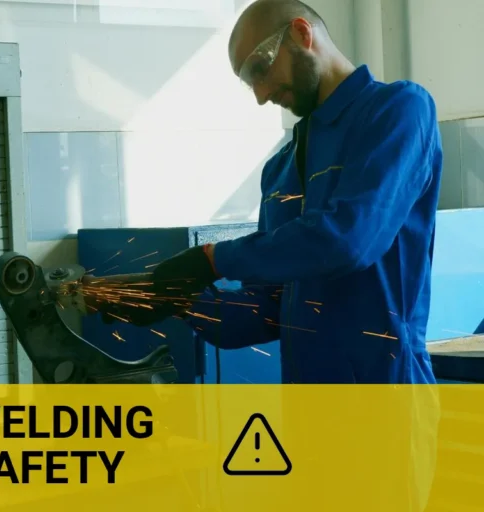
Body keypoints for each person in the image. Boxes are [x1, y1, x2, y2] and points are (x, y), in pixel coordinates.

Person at [103, 0, 444, 386]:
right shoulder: (280, 169)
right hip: (307, 405)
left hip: (387, 398)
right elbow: (266, 311)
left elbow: (349, 240)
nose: (261, 95)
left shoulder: (397, 111)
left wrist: (213, 259)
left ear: (301, 32)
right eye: (250, 82)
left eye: (260, 69)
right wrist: (177, 299)